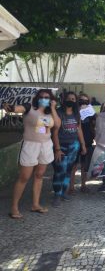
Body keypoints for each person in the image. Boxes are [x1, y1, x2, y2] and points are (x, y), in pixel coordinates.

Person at [3, 89, 60, 219]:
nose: (44, 98)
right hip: (30, 145)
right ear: (37, 98)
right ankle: (14, 207)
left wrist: (53, 108)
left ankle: (35, 204)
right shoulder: (30, 108)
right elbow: (17, 108)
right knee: (24, 177)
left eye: (47, 97)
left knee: (39, 175)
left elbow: (57, 125)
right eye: (42, 96)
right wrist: (10, 107)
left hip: (45, 146)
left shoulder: (50, 112)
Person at [52, 92, 87, 207]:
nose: (70, 100)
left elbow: (79, 130)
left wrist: (83, 145)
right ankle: (57, 194)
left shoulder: (77, 114)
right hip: (61, 145)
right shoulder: (58, 113)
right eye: (68, 98)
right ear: (64, 100)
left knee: (68, 171)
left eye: (73, 98)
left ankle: (63, 192)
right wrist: (57, 149)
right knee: (59, 171)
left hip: (74, 146)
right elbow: (54, 132)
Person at [69, 93, 96, 193]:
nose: (83, 102)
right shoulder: (73, 111)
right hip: (75, 141)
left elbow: (94, 125)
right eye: (81, 100)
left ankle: (83, 185)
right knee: (73, 166)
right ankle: (71, 187)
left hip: (88, 140)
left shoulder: (91, 112)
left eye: (86, 100)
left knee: (85, 166)